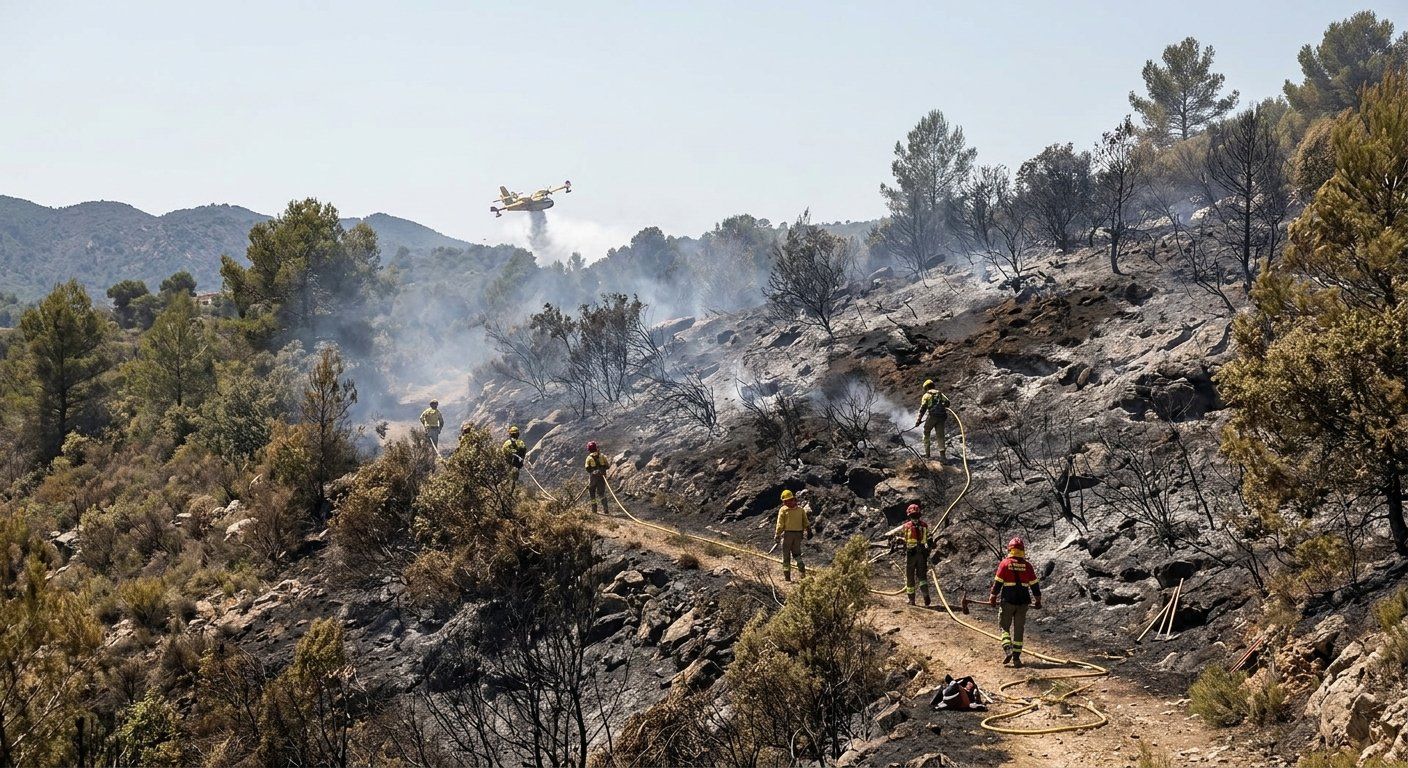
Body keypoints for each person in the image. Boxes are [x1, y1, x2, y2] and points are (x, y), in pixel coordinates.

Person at [988, 536, 1043, 668]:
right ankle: (1017, 659)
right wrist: (1038, 601)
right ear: (1022, 550)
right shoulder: (1027, 566)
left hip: (1008, 601)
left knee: (1003, 627)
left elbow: (997, 584)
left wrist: (993, 597)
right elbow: (1035, 586)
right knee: (1019, 630)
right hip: (1023, 603)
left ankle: (1008, 648)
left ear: (1010, 550)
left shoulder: (1005, 564)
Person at [894, 503, 931, 606]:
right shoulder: (924, 525)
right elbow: (930, 538)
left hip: (911, 554)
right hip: (922, 554)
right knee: (922, 577)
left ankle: (911, 600)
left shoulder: (907, 526)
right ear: (919, 514)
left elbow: (906, 540)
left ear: (909, 515)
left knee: (910, 577)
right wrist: (928, 550)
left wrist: (899, 539)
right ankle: (926, 596)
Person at [774, 489, 813, 582]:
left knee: (786, 556)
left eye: (785, 501)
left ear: (789, 500)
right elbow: (806, 522)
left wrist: (777, 535)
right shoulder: (800, 510)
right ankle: (802, 573)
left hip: (787, 535)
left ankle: (787, 578)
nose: (784, 503)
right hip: (798, 535)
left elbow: (780, 525)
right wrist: (809, 531)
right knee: (797, 555)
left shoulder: (783, 510)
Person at [915, 379, 950, 460]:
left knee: (926, 432)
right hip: (942, 416)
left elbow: (923, 409)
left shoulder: (926, 395)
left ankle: (927, 454)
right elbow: (948, 402)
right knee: (940, 435)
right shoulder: (939, 393)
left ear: (926, 388)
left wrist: (918, 420)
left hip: (932, 416)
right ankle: (943, 457)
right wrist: (942, 406)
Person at [585, 441, 610, 513]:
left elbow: (587, 468)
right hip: (602, 476)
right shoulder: (602, 456)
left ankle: (594, 509)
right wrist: (602, 469)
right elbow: (607, 466)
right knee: (601, 492)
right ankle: (605, 508)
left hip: (593, 477)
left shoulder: (589, 458)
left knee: (592, 491)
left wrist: (593, 471)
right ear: (596, 448)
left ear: (589, 450)